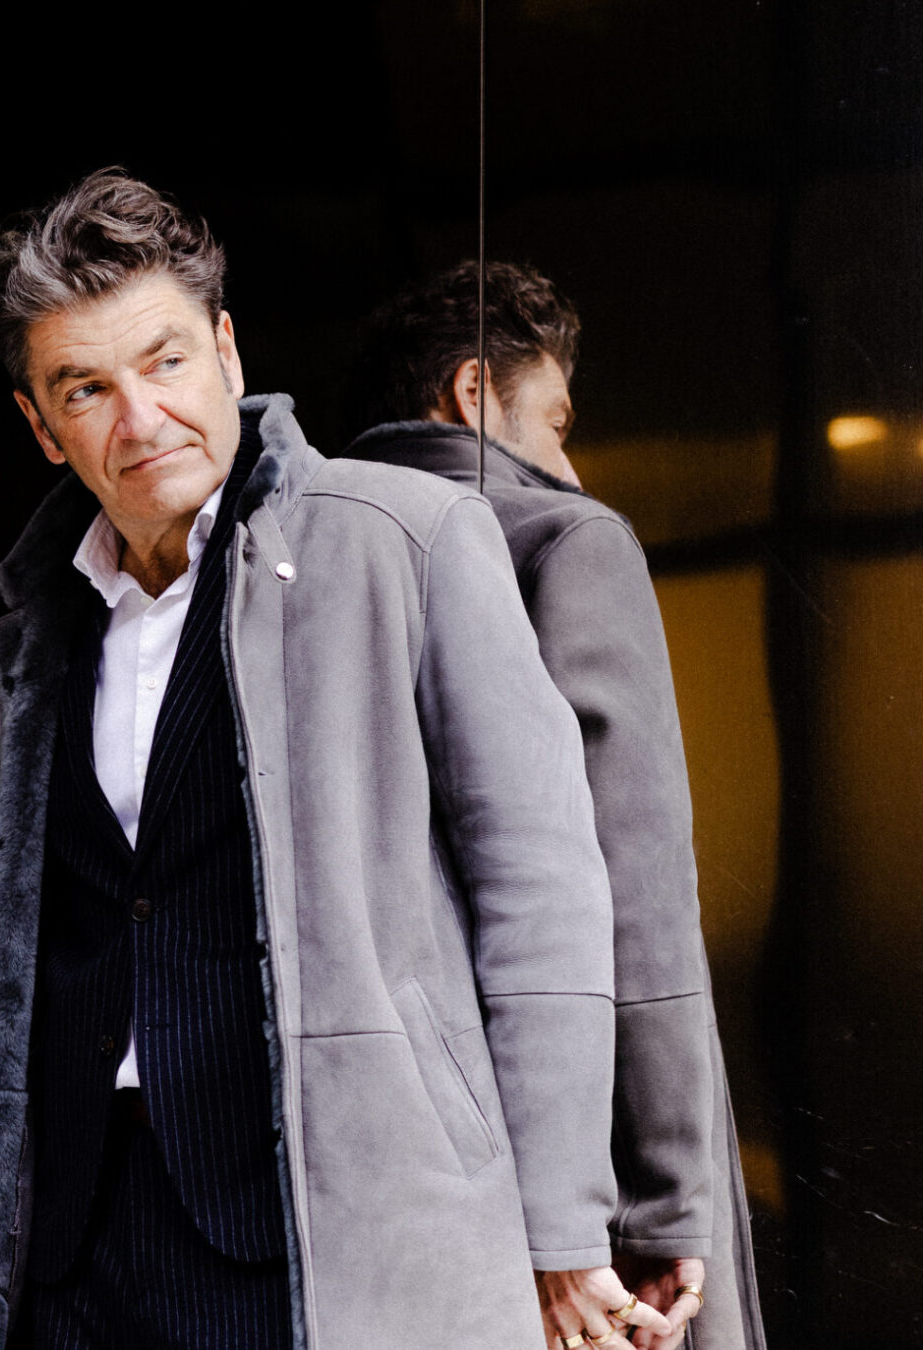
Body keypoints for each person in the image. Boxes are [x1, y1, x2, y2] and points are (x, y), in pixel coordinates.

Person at [0, 168, 675, 1350]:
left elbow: (543, 895)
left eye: (166, 362)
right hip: (78, 1247)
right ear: (41, 425)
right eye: (87, 389)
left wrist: (562, 1225)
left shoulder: (409, 538)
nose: (141, 420)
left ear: (227, 353)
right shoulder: (43, 627)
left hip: (323, 1237)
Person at [335, 261, 765, 1350]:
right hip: (584, 1176)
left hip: (390, 1176)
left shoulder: (306, 558)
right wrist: (669, 1199)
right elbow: (638, 896)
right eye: (557, 421)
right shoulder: (562, 540)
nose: (569, 464)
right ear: (473, 392)